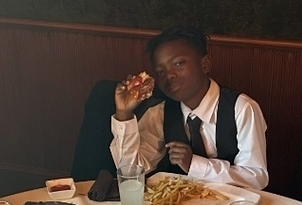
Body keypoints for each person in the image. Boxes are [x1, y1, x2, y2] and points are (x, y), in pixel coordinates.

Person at [109, 25, 269, 190]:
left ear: (205, 64)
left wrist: (195, 164)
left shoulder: (241, 108)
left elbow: (256, 178)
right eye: (160, 71)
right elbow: (131, 172)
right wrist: (124, 113)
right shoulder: (162, 113)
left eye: (178, 63)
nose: (169, 75)